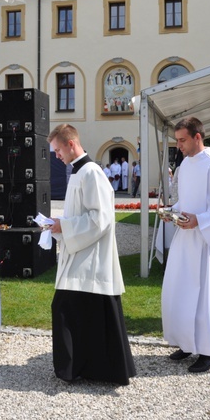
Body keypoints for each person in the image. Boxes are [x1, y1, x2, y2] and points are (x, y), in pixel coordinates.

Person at [48, 124, 136, 385]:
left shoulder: (92, 173)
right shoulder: (78, 173)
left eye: (57, 150)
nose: (56, 156)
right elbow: (81, 213)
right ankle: (84, 368)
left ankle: (78, 368)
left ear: (71, 144)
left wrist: (66, 226)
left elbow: (101, 219)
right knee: (78, 310)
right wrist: (59, 224)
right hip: (81, 251)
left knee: (65, 307)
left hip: (92, 257)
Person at [161, 117, 210, 373]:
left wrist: (201, 221)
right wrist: (172, 211)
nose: (179, 145)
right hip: (185, 238)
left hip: (205, 240)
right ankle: (186, 341)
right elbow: (187, 201)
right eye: (177, 140)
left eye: (182, 140)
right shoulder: (184, 166)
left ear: (197, 137)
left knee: (205, 295)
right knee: (181, 290)